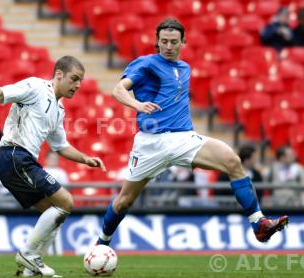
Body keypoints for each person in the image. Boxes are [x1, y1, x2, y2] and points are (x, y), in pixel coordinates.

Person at [96, 18, 288, 248]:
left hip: (183, 138)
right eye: (164, 41)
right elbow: (119, 90)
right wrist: (136, 105)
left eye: (173, 42)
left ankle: (259, 224)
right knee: (124, 201)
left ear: (183, 42)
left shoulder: (185, 68)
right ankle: (102, 243)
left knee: (232, 161)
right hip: (151, 143)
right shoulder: (146, 64)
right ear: (157, 42)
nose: (168, 46)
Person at [0, 56, 106, 277]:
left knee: (53, 214)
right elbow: (2, 92)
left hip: (21, 160)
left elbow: (61, 146)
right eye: (74, 79)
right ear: (59, 74)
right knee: (66, 201)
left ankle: (31, 269)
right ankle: (28, 253)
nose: (78, 85)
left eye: (81, 81)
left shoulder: (59, 109)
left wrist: (85, 159)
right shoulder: (35, 87)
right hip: (14, 155)